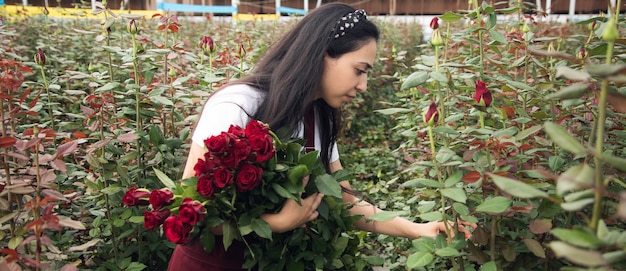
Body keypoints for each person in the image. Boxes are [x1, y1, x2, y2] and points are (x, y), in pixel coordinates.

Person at [168, 2, 474, 270]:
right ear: (323, 54)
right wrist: (279, 222)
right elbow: (190, 213)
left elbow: (345, 202)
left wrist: (417, 229)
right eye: (360, 70)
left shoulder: (317, 116)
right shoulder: (237, 105)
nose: (364, 85)